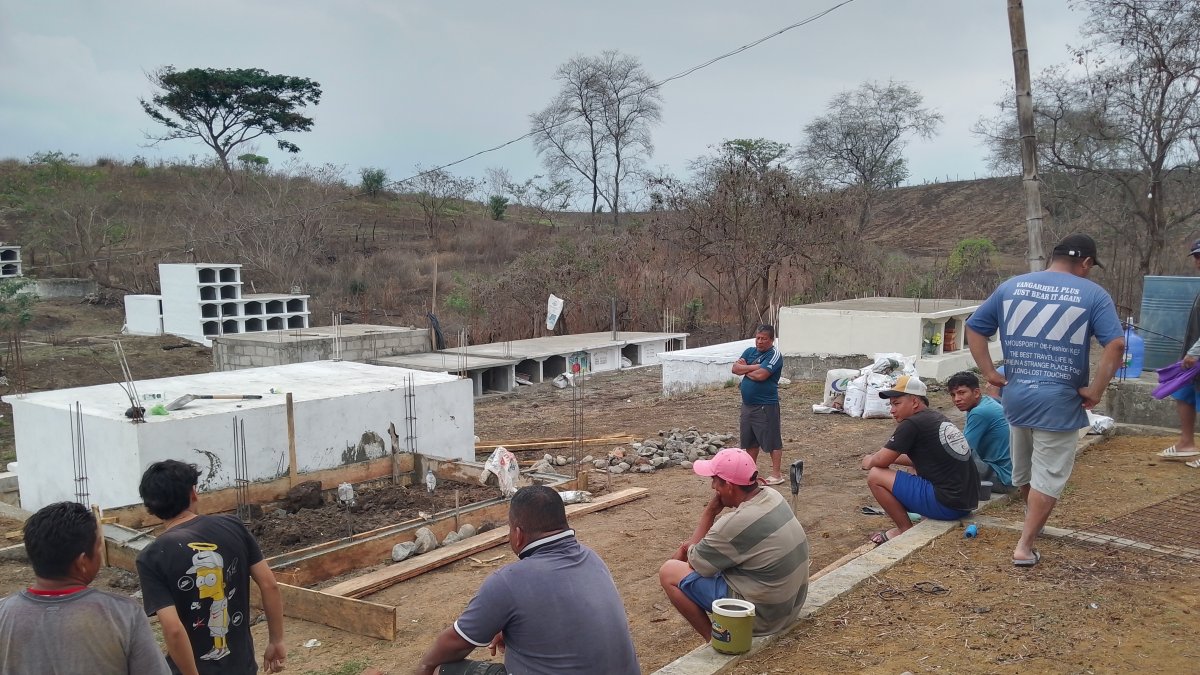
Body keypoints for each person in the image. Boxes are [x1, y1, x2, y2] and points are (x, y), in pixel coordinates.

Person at [966, 233, 1124, 567]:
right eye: (1091, 266)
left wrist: (991, 373)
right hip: (1059, 401)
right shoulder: (1093, 295)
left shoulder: (1012, 286)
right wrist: (1095, 391)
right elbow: (1116, 345)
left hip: (1017, 398)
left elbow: (975, 327)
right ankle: (1025, 546)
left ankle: (1031, 521)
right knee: (1049, 476)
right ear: (1084, 262)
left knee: (1024, 473)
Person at [416, 485, 639, 675]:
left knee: (441, 669)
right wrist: (516, 627)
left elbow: (454, 643)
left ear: (518, 534)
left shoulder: (507, 582)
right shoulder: (592, 558)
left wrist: (424, 668)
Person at [135, 460, 286, 675]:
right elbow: (269, 584)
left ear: (150, 508)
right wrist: (276, 640)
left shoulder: (151, 557)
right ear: (193, 493)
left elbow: (173, 629)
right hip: (241, 667)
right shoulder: (233, 526)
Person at [0, 501, 169, 675]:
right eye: (98, 548)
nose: (99, 553)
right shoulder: (122, 614)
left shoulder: (4, 613)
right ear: (82, 562)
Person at [659, 448, 809, 640]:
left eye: (715, 480)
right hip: (788, 609)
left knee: (669, 571)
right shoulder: (772, 496)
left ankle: (715, 640)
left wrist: (709, 513)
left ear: (729, 486)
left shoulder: (733, 524)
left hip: (762, 619)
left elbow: (692, 563)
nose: (713, 486)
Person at [861, 376, 980, 545]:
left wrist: (870, 460)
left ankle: (904, 530)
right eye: (891, 405)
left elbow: (881, 462)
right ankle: (923, 514)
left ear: (915, 402)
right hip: (964, 503)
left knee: (875, 475)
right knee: (913, 469)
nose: (892, 410)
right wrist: (879, 456)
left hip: (947, 506)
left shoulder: (912, 423)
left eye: (897, 403)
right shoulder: (935, 418)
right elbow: (918, 458)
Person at [1162, 237, 1200, 465]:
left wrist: (1196, 351)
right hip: (1192, 356)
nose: (1198, 261)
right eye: (1196, 256)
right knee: (1183, 393)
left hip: (1197, 354)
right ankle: (1186, 443)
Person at [732, 324, 786, 485]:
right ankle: (751, 472)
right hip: (747, 405)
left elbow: (762, 375)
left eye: (764, 339)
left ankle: (776, 474)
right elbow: (735, 368)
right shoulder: (749, 351)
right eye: (758, 338)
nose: (760, 341)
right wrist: (754, 367)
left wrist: (745, 369)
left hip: (765, 405)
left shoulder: (774, 355)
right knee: (750, 441)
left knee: (772, 440)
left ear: (771, 340)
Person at [947, 371, 1013, 491]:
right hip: (1012, 473)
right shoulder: (985, 402)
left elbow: (962, 450)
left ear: (976, 392)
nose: (957, 399)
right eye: (953, 395)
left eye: (962, 393)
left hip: (1003, 478)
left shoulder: (979, 412)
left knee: (946, 463)